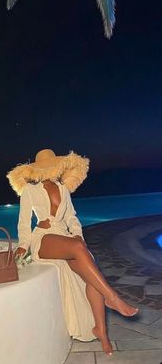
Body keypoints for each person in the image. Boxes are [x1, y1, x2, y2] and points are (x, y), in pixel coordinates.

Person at [7, 149, 138, 356]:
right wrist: (23, 245)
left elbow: (72, 218)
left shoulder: (63, 189)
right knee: (78, 248)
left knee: (90, 271)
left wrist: (77, 233)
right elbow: (24, 222)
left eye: (52, 166)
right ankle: (112, 297)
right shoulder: (30, 191)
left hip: (64, 237)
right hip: (44, 238)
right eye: (46, 167)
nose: (50, 170)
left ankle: (101, 331)